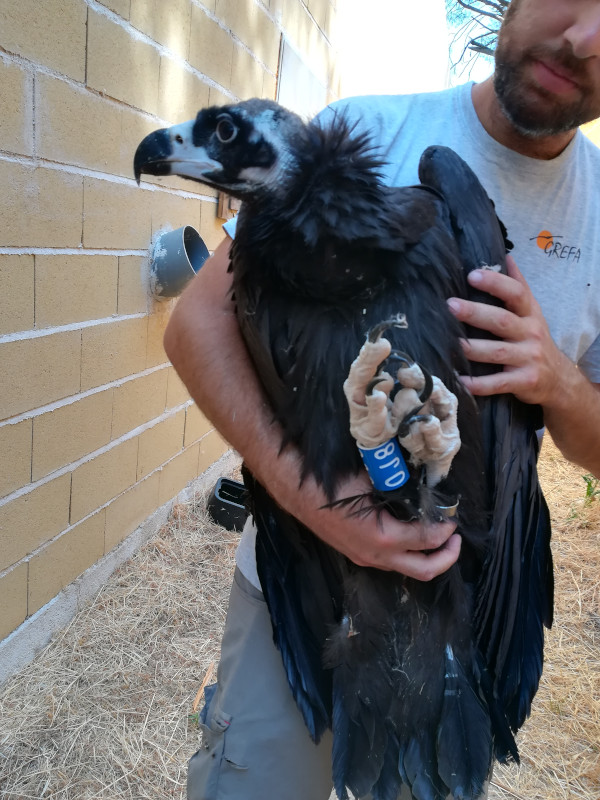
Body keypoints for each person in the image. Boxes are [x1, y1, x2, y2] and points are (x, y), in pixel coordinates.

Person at [165, 1, 600, 797]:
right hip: (294, 580)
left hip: (453, 614)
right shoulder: (346, 135)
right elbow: (196, 326)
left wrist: (560, 381)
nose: (585, 40)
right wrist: (315, 498)